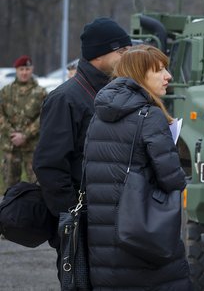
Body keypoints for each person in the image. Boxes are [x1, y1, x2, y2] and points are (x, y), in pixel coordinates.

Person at [32, 17, 132, 282]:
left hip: (110, 220)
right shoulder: (66, 98)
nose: (127, 57)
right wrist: (71, 218)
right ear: (99, 55)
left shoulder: (113, 92)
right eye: (121, 51)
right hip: (82, 223)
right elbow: (49, 165)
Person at [84, 44, 191, 289]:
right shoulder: (150, 116)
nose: (168, 76)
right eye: (160, 70)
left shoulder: (98, 116)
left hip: (104, 244)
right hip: (144, 242)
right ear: (140, 74)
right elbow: (172, 180)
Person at [0, 55, 47, 188]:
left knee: (37, 185)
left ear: (32, 70)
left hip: (32, 147)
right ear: (16, 70)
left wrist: (25, 135)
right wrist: (12, 134)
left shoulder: (41, 93)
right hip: (10, 146)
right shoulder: (6, 92)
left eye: (27, 69)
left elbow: (44, 116)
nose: (24, 72)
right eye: (21, 69)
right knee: (9, 187)